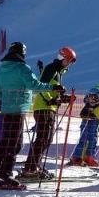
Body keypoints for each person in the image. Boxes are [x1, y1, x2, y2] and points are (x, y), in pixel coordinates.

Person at [0, 43, 55, 189]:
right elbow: (34, 85)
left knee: (8, 142)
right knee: (12, 144)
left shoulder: (2, 69)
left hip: (7, 110)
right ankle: (0, 174)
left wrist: (7, 99)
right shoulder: (22, 68)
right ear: (23, 53)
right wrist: (52, 87)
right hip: (18, 110)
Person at [21, 46, 75, 179]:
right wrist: (49, 100)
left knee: (45, 139)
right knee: (44, 138)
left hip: (48, 107)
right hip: (43, 107)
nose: (70, 64)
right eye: (68, 60)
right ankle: (31, 168)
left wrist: (64, 98)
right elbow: (41, 86)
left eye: (71, 62)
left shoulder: (58, 72)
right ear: (62, 57)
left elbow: (53, 91)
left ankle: (34, 166)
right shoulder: (51, 69)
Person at [69, 85, 99, 167]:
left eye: (94, 98)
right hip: (85, 126)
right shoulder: (88, 106)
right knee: (83, 141)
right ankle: (77, 158)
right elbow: (82, 114)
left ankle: (89, 158)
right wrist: (89, 114)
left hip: (94, 127)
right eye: (90, 98)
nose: (92, 100)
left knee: (93, 142)